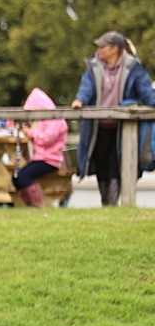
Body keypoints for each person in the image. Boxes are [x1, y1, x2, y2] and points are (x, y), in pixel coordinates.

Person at [71, 31, 155, 206]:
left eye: (103, 46)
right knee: (101, 164)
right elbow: (86, 88)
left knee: (117, 165)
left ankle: (113, 203)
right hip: (98, 126)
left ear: (114, 49)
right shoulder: (93, 67)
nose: (99, 50)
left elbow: (146, 92)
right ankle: (106, 203)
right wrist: (80, 100)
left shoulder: (134, 67)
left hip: (123, 127)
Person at [12, 87, 68, 207]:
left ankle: (38, 205)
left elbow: (46, 139)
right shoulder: (44, 120)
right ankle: (25, 205)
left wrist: (30, 132)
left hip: (50, 160)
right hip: (41, 158)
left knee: (23, 176)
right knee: (16, 177)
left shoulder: (56, 120)